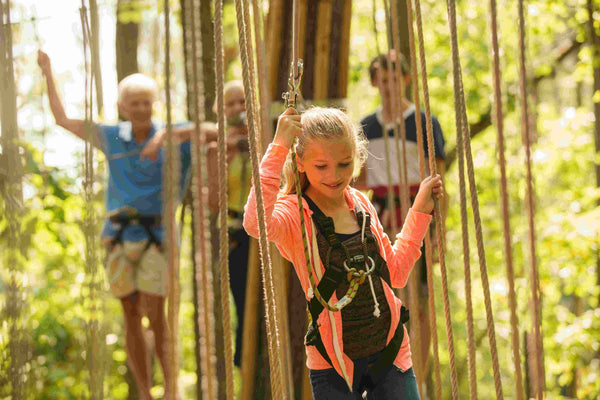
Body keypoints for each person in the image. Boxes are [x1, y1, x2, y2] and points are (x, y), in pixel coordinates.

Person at [243, 106, 443, 399]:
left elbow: (395, 274)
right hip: (332, 363)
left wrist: (419, 212)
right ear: (300, 163)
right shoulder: (293, 214)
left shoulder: (360, 203)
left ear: (357, 159)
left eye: (344, 164)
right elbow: (255, 223)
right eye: (321, 166)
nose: (334, 176)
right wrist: (279, 146)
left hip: (391, 352)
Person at [38, 50, 192, 400]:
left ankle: (170, 391)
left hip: (157, 237)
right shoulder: (112, 137)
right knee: (130, 316)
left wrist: (162, 138)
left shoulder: (173, 135)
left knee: (157, 313)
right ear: (122, 107)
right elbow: (62, 119)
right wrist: (48, 72)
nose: (140, 109)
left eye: (146, 102)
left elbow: (212, 132)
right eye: (133, 103)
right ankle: (144, 392)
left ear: (154, 105)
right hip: (118, 237)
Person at [356, 52, 448, 385]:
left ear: (405, 79)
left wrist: (439, 234)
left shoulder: (424, 122)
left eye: (394, 79)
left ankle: (418, 376)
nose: (389, 87)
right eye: (382, 80)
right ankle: (384, 371)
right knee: (380, 294)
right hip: (380, 213)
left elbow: (438, 182)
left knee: (418, 299)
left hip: (416, 212)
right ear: (374, 83)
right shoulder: (368, 125)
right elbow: (363, 177)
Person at [206, 81, 251, 368]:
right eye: (230, 104)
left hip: (270, 228)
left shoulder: (269, 140)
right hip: (236, 230)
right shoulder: (218, 149)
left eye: (242, 102)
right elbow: (214, 203)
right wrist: (224, 159)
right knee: (243, 300)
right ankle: (245, 358)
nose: (236, 109)